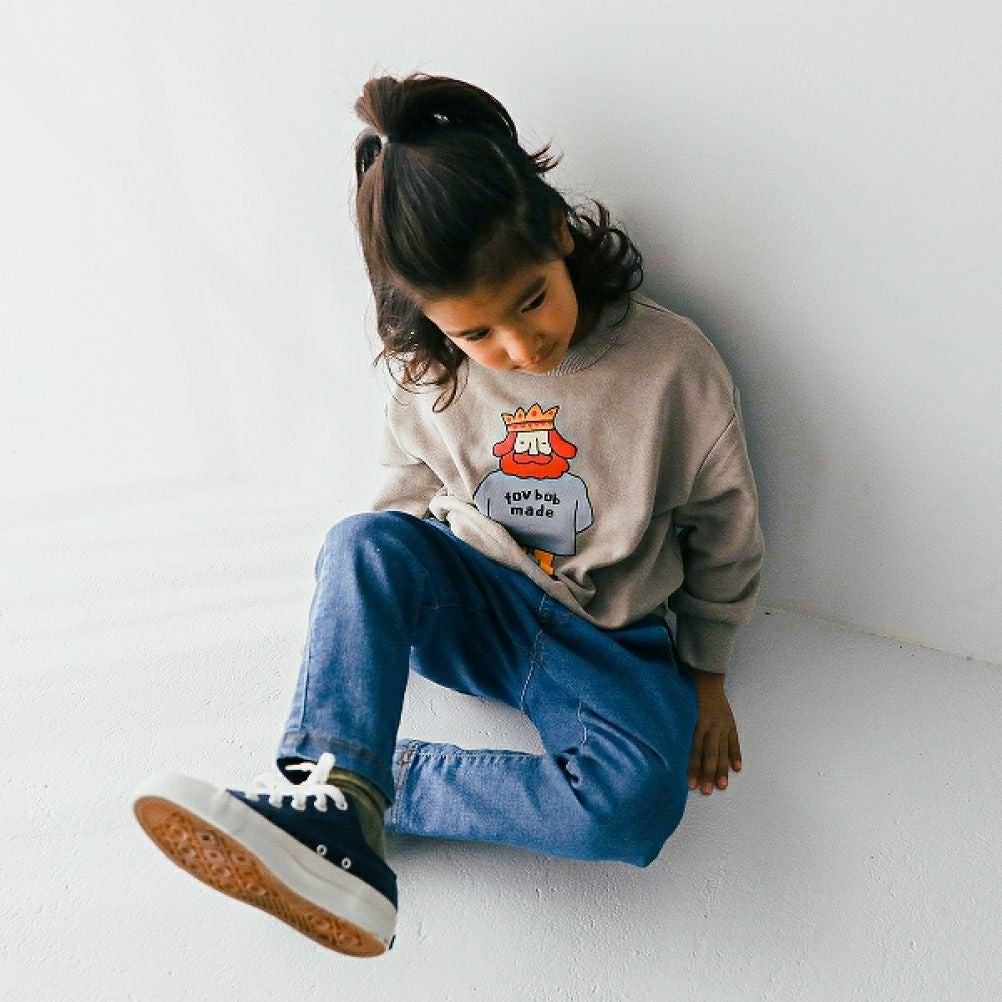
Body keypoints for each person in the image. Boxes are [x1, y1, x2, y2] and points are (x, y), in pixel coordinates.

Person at [131, 71, 765, 959]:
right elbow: (399, 512)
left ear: (559, 231)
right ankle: (331, 794)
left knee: (633, 810)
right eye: (477, 333)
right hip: (477, 609)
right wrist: (381, 616)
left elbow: (726, 532)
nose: (520, 345)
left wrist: (707, 672)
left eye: (532, 299)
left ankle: (371, 792)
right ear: (432, 322)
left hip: (610, 642)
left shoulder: (674, 368)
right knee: (361, 542)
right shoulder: (432, 376)